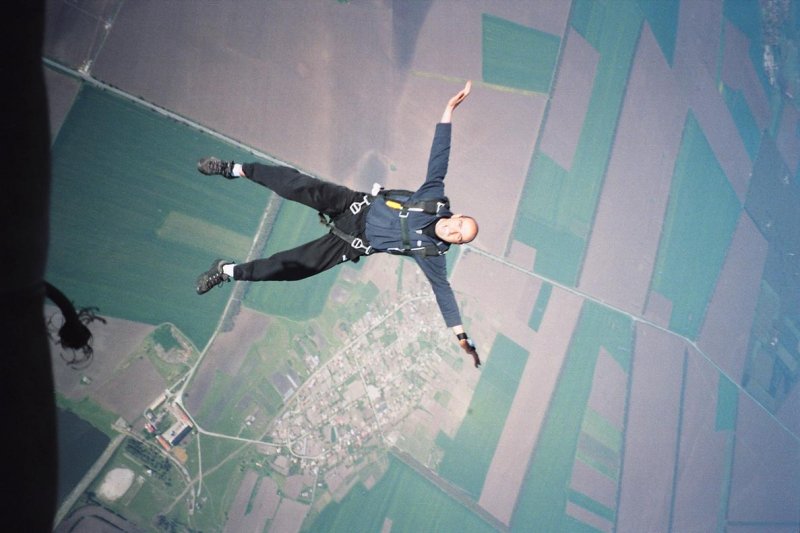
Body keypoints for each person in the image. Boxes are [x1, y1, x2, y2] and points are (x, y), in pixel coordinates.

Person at [195, 81, 481, 367]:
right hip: (353, 204)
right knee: (296, 186)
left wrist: (461, 337)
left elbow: (444, 293)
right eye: (458, 226)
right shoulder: (432, 199)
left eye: (458, 237)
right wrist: (448, 110)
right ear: (457, 216)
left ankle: (226, 271)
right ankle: (232, 169)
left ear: (456, 243)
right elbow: (439, 159)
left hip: (351, 243)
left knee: (294, 268)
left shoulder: (432, 255)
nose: (452, 232)